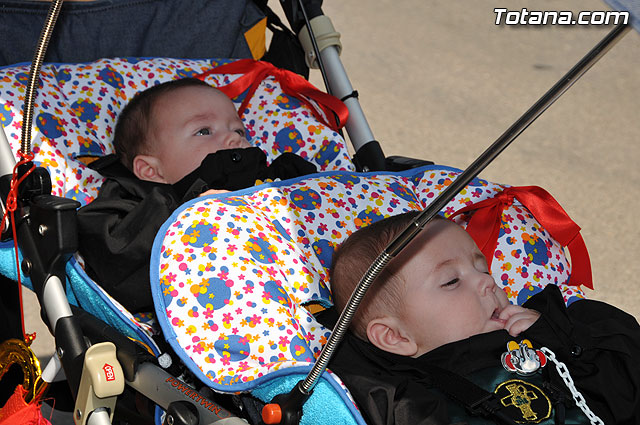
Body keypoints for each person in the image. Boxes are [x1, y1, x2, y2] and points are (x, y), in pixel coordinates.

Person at [328, 211, 640, 425]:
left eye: (483, 268)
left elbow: (627, 375)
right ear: (395, 336)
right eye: (452, 281)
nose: (487, 282)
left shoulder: (547, 327)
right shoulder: (409, 397)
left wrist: (561, 339)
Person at [77, 78, 317, 312]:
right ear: (151, 170)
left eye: (239, 130)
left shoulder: (274, 177)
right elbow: (115, 263)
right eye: (204, 131)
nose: (234, 137)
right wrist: (186, 216)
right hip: (215, 319)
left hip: (305, 301)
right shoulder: (139, 204)